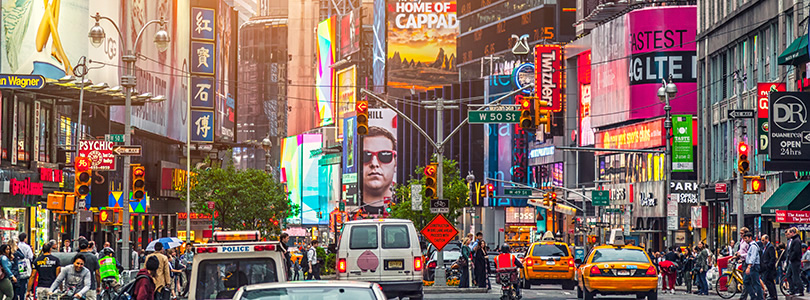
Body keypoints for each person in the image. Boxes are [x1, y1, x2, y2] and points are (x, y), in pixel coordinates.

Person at [361, 126, 397, 214]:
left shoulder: (405, 199)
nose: (374, 164)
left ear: (395, 162)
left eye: (384, 155)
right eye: (366, 155)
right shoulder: (347, 207)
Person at [742, 232, 763, 300]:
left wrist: (749, 266)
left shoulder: (753, 246)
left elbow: (753, 257)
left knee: (755, 283)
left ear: (750, 237)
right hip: (751, 266)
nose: (745, 240)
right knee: (746, 281)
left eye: (746, 238)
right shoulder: (750, 246)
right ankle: (753, 296)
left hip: (754, 266)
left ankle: (759, 298)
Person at [760, 235, 777, 300]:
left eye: (763, 240)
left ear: (767, 239)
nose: (762, 242)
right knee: (768, 281)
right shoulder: (765, 247)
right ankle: (773, 295)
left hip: (769, 268)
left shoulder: (770, 247)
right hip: (766, 267)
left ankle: (773, 295)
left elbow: (772, 258)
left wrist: (768, 266)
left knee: (769, 282)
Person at [787, 227, 803, 296]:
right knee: (788, 275)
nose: (788, 235)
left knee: (796, 276)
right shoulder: (793, 240)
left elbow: (796, 251)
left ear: (792, 233)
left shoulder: (796, 241)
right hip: (792, 261)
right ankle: (792, 289)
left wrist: (791, 257)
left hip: (795, 261)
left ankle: (800, 290)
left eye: (789, 233)